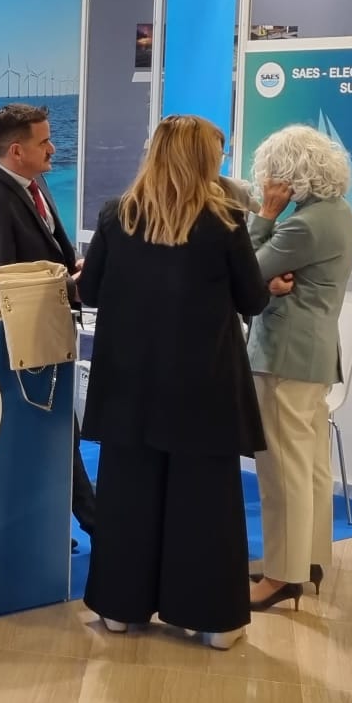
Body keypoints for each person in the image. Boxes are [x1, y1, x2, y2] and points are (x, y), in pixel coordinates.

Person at [78, 115, 270, 649]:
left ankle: (119, 609)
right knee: (205, 504)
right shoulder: (225, 221)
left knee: (127, 497)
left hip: (129, 386)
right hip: (203, 388)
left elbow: (89, 291)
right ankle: (213, 621)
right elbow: (252, 298)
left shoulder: (116, 215)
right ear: (203, 159)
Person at [0, 102, 97, 544]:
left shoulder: (34, 186)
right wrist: (70, 285)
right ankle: (88, 522)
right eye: (44, 142)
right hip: (25, 347)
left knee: (59, 434)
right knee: (54, 435)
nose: (53, 148)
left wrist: (74, 271)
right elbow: (3, 284)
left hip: (52, 336)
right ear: (17, 151)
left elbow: (49, 258)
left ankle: (57, 528)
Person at [243, 126, 352, 609]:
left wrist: (265, 217)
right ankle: (307, 559)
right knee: (309, 465)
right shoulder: (340, 213)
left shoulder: (302, 225)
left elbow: (245, 271)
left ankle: (282, 575)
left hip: (284, 356)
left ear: (288, 175)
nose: (265, 181)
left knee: (282, 470)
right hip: (313, 355)